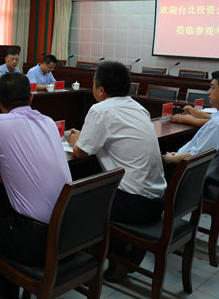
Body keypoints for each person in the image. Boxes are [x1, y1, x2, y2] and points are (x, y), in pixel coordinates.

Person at [0, 72, 72, 298]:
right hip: (69, 232)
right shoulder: (48, 122)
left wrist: (12, 173)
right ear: (31, 97)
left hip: (37, 242)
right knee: (2, 216)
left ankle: (1, 293)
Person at [67, 61, 166, 281]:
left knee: (75, 202)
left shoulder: (101, 109)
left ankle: (87, 266)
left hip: (132, 204)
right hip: (157, 200)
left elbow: (80, 152)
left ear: (100, 90)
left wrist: (75, 140)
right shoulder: (138, 107)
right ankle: (125, 252)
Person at [164, 70, 219, 184]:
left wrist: (169, 159)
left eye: (212, 88)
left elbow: (196, 157)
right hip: (203, 169)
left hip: (189, 176)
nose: (208, 92)